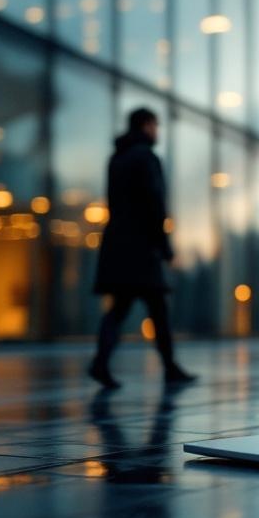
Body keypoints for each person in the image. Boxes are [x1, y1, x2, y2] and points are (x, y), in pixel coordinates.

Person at [89, 108, 195, 389]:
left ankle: (101, 363)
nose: (157, 131)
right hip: (142, 246)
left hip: (118, 243)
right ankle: (170, 367)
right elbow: (154, 204)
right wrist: (165, 246)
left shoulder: (117, 157)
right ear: (146, 125)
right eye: (155, 125)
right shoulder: (146, 157)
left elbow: (115, 201)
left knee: (119, 308)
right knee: (157, 308)